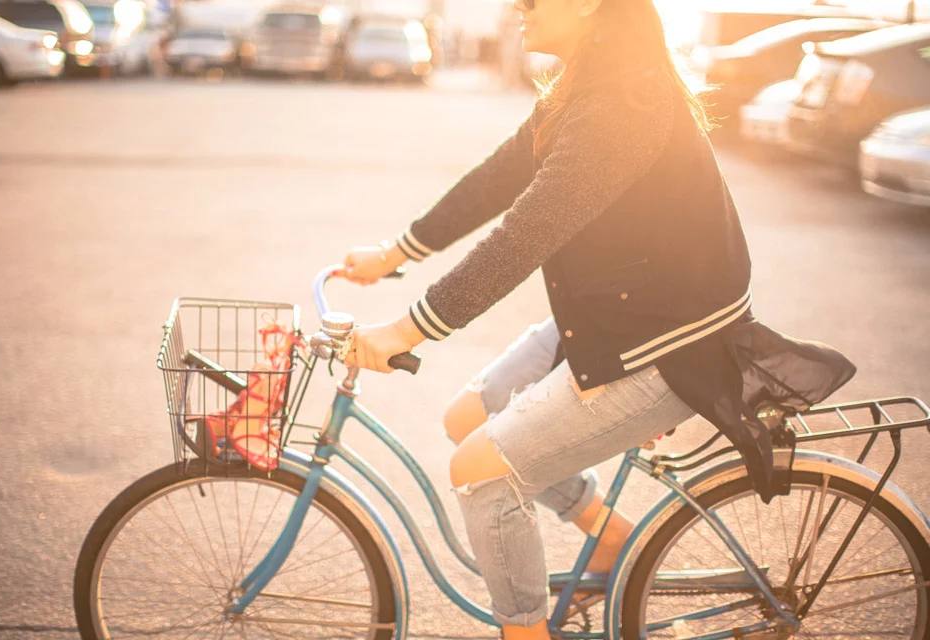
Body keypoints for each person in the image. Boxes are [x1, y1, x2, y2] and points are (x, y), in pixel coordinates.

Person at [338, 0, 854, 637]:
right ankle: (610, 536)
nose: (517, 7)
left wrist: (406, 330)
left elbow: (525, 235)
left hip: (662, 343)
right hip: (616, 317)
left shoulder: (623, 102)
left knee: (481, 474)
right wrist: (395, 253)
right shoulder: (590, 83)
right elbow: (502, 177)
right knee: (466, 417)